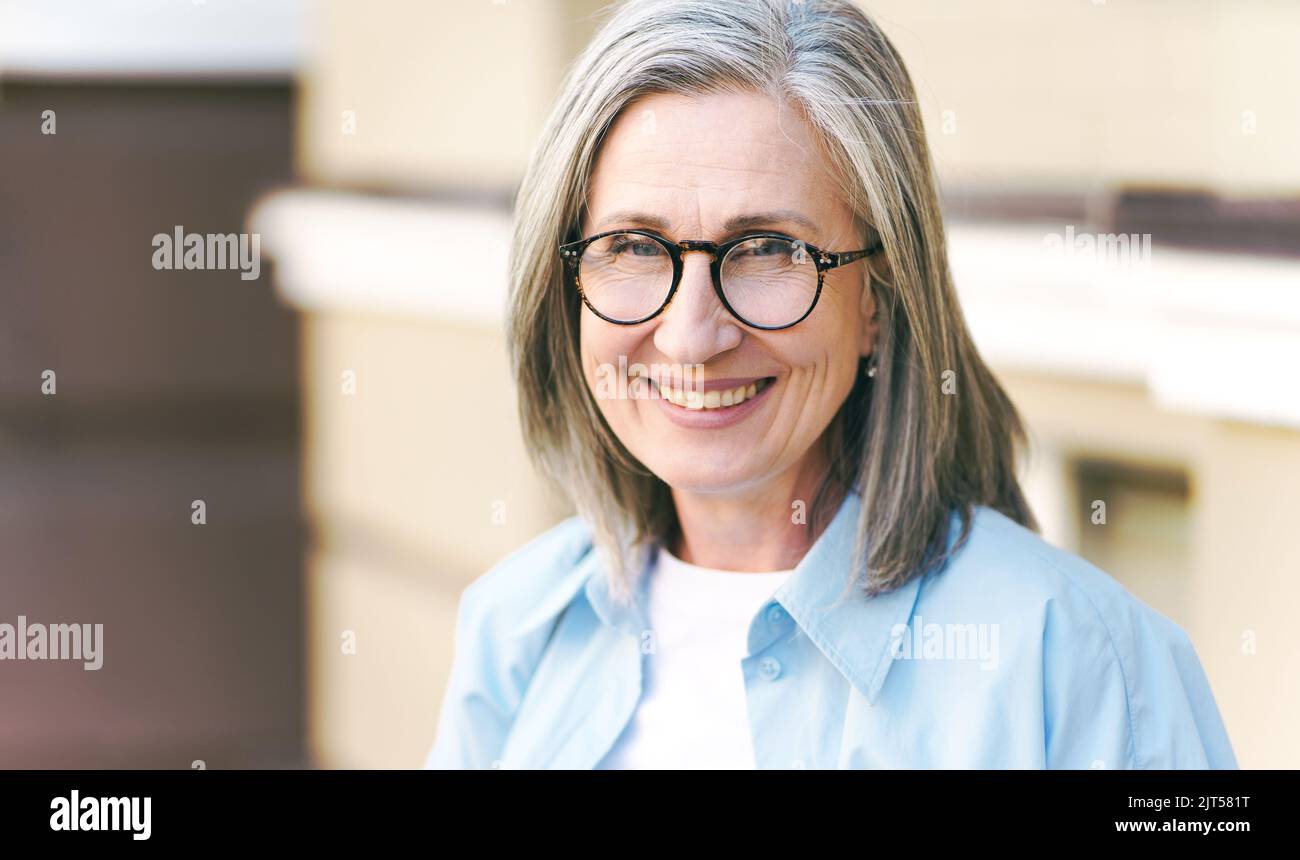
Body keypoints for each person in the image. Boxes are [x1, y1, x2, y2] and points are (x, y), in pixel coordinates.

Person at [425, 0, 1236, 769]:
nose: (691, 335)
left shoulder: (1088, 663)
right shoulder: (516, 630)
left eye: (771, 249)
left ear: (878, 299)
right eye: (635, 246)